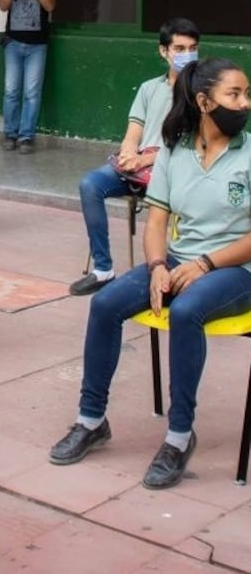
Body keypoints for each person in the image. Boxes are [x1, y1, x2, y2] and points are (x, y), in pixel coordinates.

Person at [49, 57, 251, 490]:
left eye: (246, 94)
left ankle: (179, 437)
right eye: (234, 94)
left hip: (237, 268)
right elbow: (157, 220)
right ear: (204, 102)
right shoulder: (175, 151)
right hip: (177, 261)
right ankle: (91, 420)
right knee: (106, 303)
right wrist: (159, 265)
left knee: (187, 311)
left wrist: (205, 264)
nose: (244, 103)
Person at [70, 18, 200, 296]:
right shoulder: (149, 88)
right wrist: (129, 154)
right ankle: (103, 269)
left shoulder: (200, 94)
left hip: (176, 173)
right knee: (90, 184)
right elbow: (133, 132)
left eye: (192, 48)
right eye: (179, 48)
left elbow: (189, 144)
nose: (187, 55)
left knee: (164, 207)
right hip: (140, 168)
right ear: (163, 51)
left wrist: (145, 161)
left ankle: (170, 274)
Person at [0, 0, 56, 154]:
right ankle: (10, 134)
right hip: (13, 44)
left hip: (37, 46)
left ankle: (26, 137)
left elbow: (50, 5)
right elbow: (3, 6)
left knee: (32, 92)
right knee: (11, 91)